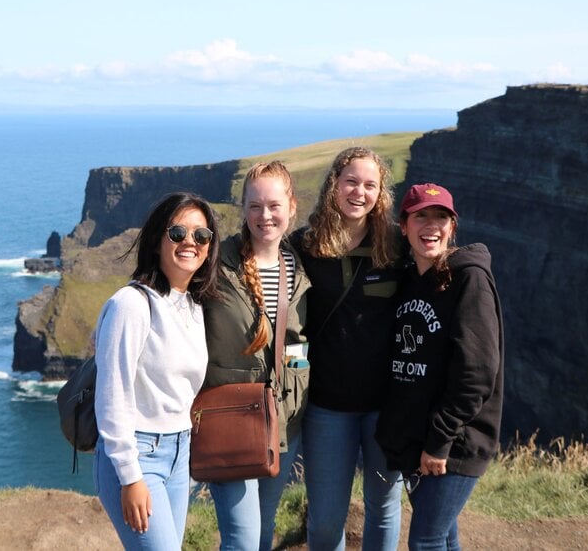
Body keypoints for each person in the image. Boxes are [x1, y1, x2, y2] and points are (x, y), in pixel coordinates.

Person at [375, 183, 504, 551]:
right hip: (417, 438)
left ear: (453, 227)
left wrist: (439, 442)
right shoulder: (408, 280)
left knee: (425, 540)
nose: (431, 226)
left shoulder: (470, 278)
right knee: (443, 537)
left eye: (441, 217)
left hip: (454, 442)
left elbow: (477, 372)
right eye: (421, 216)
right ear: (403, 226)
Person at [289, 146, 404, 551]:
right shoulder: (304, 245)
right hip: (326, 408)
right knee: (324, 520)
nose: (360, 192)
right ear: (334, 185)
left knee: (385, 507)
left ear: (380, 193)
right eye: (351, 181)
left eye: (370, 184)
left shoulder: (395, 246)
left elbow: (437, 274)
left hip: (386, 406)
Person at [93, 192, 220, 549]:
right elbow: (112, 396)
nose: (190, 242)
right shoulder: (130, 305)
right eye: (177, 233)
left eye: (201, 235)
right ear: (156, 239)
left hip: (179, 453)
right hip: (138, 453)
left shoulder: (192, 306)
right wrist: (131, 478)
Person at [200, 160, 311, 551]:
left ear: (291, 207)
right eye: (255, 206)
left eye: (274, 205)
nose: (265, 216)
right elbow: (168, 282)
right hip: (228, 423)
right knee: (242, 539)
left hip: (283, 425)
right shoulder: (214, 261)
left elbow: (301, 339)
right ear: (243, 208)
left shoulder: (300, 266)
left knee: (262, 530)